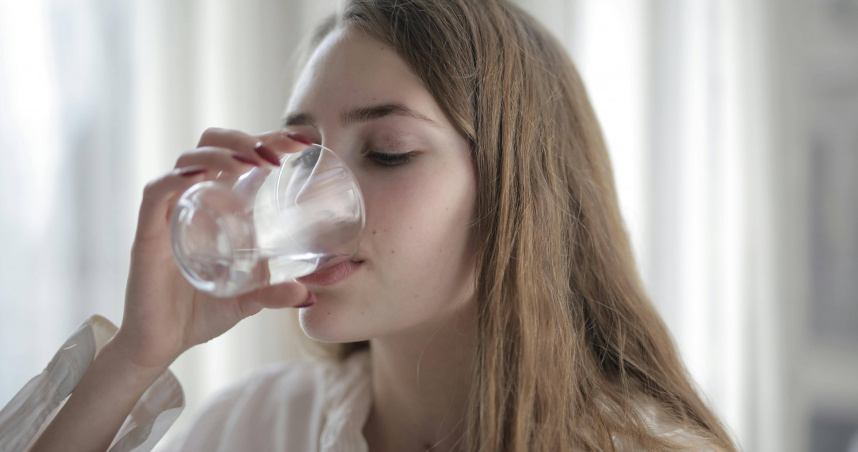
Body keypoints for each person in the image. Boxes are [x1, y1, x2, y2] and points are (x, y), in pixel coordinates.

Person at [0, 0, 737, 451]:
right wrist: (135, 356)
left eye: (387, 153)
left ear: (518, 193)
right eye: (302, 156)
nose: (313, 202)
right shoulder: (261, 428)